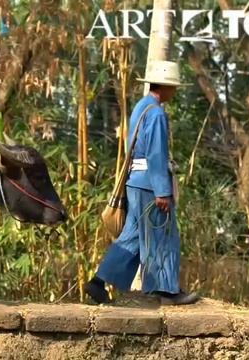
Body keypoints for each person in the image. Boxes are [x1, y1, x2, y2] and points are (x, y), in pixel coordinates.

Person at [84, 60, 199, 306]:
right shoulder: (156, 113)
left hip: (134, 183)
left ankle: (97, 282)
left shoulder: (141, 107)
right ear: (165, 87)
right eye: (173, 87)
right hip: (150, 185)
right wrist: (162, 191)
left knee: (133, 236)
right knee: (162, 233)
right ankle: (165, 289)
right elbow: (156, 155)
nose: (175, 91)